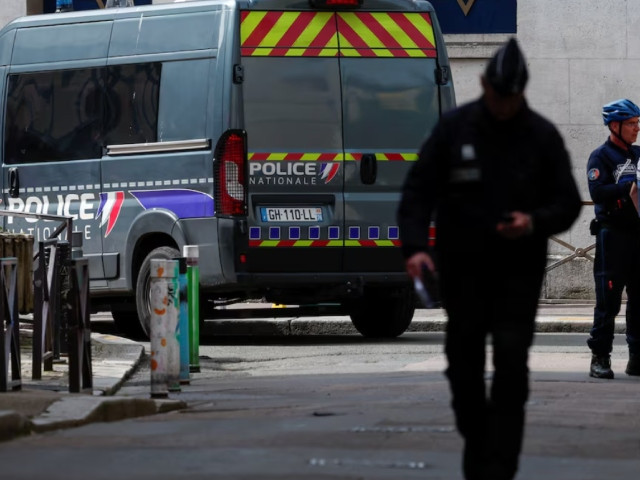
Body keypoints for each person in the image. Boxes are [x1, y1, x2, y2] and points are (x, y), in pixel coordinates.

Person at [397, 38, 582, 480]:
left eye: (511, 98)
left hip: (518, 270)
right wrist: (416, 247)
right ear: (483, 84)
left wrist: (533, 221)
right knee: (462, 363)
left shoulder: (541, 135)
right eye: (498, 97)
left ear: (522, 92)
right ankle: (478, 439)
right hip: (463, 270)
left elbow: (568, 202)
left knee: (512, 363)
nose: (503, 107)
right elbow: (418, 192)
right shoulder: (454, 129)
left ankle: (500, 466)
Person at [586, 98, 640, 379]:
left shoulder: (639, 154)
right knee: (608, 300)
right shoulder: (601, 157)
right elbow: (598, 192)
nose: (637, 129)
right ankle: (600, 357)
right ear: (615, 125)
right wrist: (628, 186)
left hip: (638, 235)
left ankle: (637, 357)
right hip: (613, 236)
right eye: (631, 124)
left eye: (638, 123)